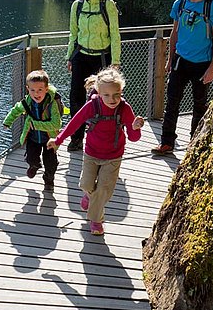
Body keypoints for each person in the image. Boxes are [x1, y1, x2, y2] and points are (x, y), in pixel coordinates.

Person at [47, 68, 144, 235]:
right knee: (86, 184)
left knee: (103, 191)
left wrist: (135, 128)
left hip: (113, 156)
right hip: (91, 153)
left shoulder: (124, 108)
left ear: (121, 91)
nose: (112, 99)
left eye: (116, 94)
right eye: (106, 95)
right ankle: (88, 197)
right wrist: (58, 140)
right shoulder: (92, 105)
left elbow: (134, 138)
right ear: (99, 93)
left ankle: (96, 221)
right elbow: (75, 123)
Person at [151, 0, 213, 155]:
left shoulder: (212, 5)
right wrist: (169, 58)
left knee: (199, 104)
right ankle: (167, 142)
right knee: (172, 102)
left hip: (202, 63)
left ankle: (195, 143)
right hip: (180, 60)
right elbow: (174, 32)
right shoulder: (180, 4)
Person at [65, 0, 121, 152]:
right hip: (81, 56)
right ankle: (76, 138)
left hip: (101, 59)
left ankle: (104, 136)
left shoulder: (107, 5)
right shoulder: (77, 6)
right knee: (76, 98)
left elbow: (114, 34)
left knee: (104, 98)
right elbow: (73, 33)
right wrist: (69, 57)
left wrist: (115, 62)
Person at [3, 70, 63, 192]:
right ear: (28, 89)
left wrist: (36, 125)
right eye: (32, 90)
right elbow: (15, 110)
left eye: (40, 90)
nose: (36, 93)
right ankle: (34, 165)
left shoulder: (51, 104)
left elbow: (56, 124)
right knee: (31, 158)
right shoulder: (27, 103)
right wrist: (7, 122)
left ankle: (48, 179)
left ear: (46, 89)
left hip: (49, 139)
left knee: (50, 163)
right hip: (33, 138)